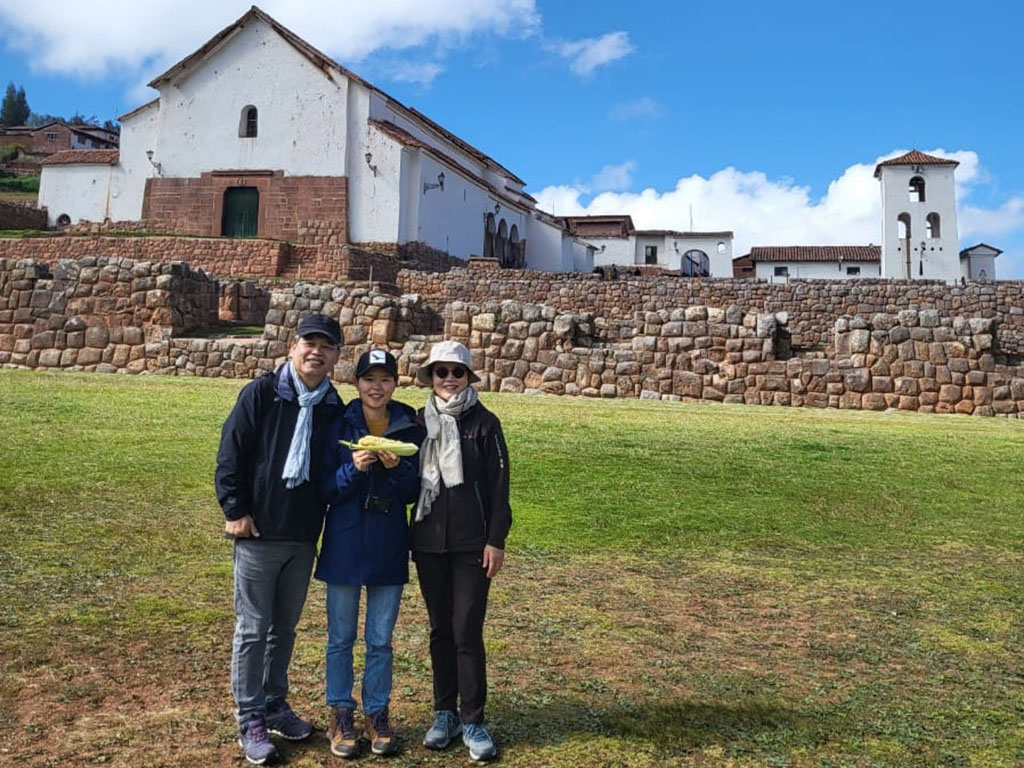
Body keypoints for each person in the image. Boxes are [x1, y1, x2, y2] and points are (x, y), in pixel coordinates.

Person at [215, 314, 343, 766]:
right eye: (310, 342)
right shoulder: (262, 393)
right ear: (293, 347)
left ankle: (273, 703)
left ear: (336, 356)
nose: (316, 351)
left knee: (283, 628)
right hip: (258, 531)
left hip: (302, 534)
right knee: (252, 628)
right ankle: (249, 715)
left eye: (326, 346)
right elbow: (232, 451)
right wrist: (235, 510)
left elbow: (332, 473)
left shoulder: (332, 407)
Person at [315, 349, 423, 759]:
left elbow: (414, 493)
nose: (375, 387)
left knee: (380, 639)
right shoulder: (339, 423)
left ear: (395, 384)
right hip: (345, 540)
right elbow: (324, 489)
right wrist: (351, 469)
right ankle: (341, 711)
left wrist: (396, 468)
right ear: (355, 382)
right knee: (340, 638)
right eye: (368, 379)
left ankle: (377, 712)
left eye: (384, 379)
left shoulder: (409, 426)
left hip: (387, 541)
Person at [410, 340, 511, 763]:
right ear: (430, 377)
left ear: (469, 378)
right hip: (429, 542)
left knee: (467, 629)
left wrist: (496, 540)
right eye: (441, 372)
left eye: (457, 372)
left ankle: (472, 718)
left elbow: (499, 489)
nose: (449, 380)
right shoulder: (416, 423)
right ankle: (443, 712)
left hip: (472, 543)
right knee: (440, 630)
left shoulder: (485, 424)